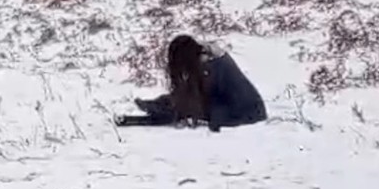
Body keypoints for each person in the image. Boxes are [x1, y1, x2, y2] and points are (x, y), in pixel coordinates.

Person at [114, 35, 267, 132]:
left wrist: (191, 114)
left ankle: (156, 110)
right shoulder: (208, 58)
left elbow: (205, 97)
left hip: (244, 113)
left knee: (181, 108)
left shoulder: (212, 66)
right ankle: (156, 106)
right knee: (179, 103)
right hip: (238, 107)